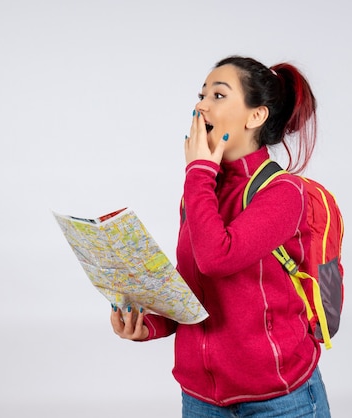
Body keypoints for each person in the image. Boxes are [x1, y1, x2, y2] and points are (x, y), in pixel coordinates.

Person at [110, 55, 331, 417]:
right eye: (201, 95)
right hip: (201, 399)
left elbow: (217, 260)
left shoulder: (283, 192)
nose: (200, 105)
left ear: (255, 116)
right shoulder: (201, 190)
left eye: (217, 95)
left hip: (279, 399)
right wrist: (148, 325)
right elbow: (197, 288)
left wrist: (198, 172)